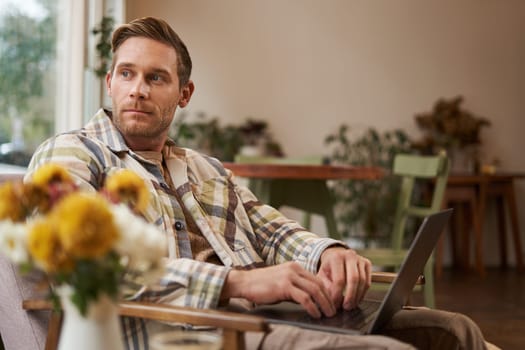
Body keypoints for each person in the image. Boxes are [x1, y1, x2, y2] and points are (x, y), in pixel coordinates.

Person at [26, 17, 491, 350]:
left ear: (184, 94)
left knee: (455, 330)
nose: (138, 89)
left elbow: (272, 228)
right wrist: (237, 283)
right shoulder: (73, 154)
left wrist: (327, 252)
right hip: (184, 332)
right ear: (109, 82)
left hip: (267, 320)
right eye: (127, 74)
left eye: (156, 78)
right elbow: (90, 267)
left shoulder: (206, 168)